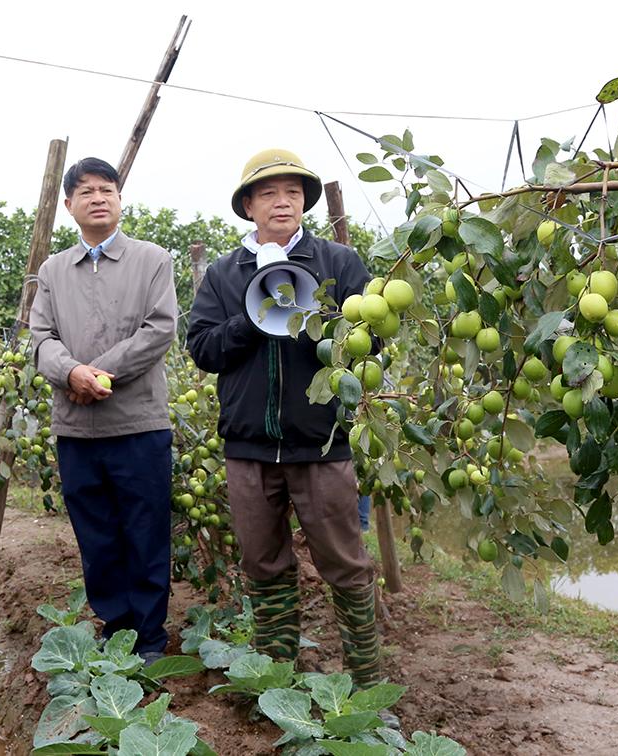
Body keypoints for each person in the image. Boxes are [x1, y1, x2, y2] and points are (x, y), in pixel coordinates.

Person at [187, 149, 383, 689]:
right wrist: (253, 319)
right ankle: (277, 676)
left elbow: (373, 340)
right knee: (264, 565)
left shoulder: (338, 264)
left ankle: (366, 684)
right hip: (249, 449)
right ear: (248, 205)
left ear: (305, 202)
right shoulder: (226, 275)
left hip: (321, 445)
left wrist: (330, 323)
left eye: (293, 192)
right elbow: (202, 348)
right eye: (269, 193)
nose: (282, 202)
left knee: (345, 565)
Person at [30, 158, 177, 663]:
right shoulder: (53, 270)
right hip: (76, 430)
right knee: (97, 535)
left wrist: (97, 374)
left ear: (119, 199)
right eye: (86, 191)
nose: (98, 198)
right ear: (68, 204)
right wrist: (70, 372)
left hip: (138, 424)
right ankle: (116, 630)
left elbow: (159, 330)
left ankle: (151, 640)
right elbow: (40, 338)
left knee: (146, 531)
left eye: (107, 189)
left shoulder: (152, 260)